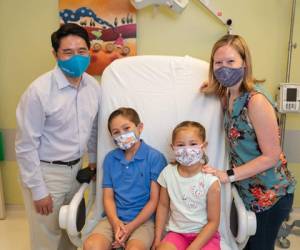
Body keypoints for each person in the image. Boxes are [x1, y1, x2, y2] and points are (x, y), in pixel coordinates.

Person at [201, 34, 296, 250]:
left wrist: (228, 175)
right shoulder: (228, 94)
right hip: (247, 190)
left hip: (270, 195)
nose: (224, 68)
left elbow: (271, 157)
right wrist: (212, 87)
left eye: (231, 62)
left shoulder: (256, 101)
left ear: (245, 63)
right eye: (218, 63)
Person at [15, 23, 100, 250]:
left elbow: (92, 127)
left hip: (76, 170)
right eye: (68, 52)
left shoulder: (93, 86)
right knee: (47, 237)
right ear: (55, 54)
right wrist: (38, 190)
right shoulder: (39, 92)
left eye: (82, 51)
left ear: (89, 51)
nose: (76, 57)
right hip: (46, 172)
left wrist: (92, 160)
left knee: (72, 230)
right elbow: (25, 146)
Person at [83, 107, 167, 250]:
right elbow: (108, 198)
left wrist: (130, 228)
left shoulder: (155, 158)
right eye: (116, 132)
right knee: (91, 246)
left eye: (126, 128)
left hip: (143, 222)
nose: (122, 134)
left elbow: (154, 201)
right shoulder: (110, 159)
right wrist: (116, 224)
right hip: (114, 219)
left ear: (139, 127)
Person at [152, 121, 221, 250]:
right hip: (177, 234)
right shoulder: (167, 173)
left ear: (203, 146)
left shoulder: (210, 181)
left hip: (205, 236)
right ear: (173, 147)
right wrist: (157, 238)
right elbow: (163, 206)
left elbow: (213, 222)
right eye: (180, 145)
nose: (187, 150)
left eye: (193, 144)